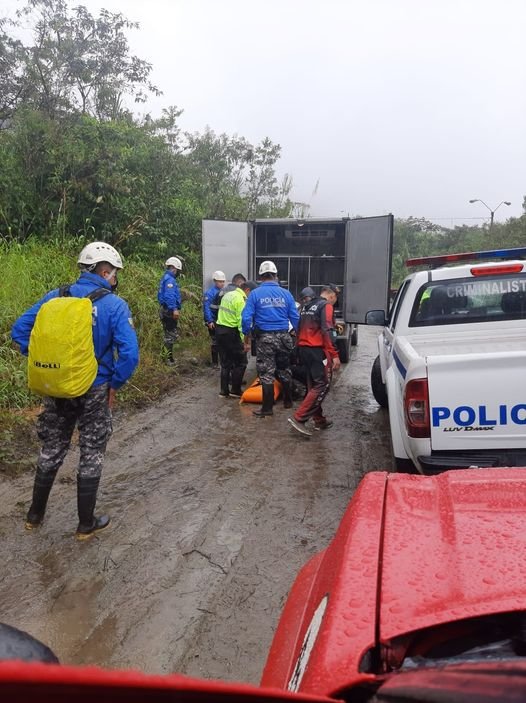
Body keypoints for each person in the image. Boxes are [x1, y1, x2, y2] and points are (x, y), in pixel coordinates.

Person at [11, 242, 139, 539]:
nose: (116, 278)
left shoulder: (55, 297)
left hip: (57, 386)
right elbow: (130, 354)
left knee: (52, 447)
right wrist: (115, 384)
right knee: (91, 451)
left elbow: (20, 329)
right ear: (105, 271)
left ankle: (34, 516)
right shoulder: (114, 305)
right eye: (115, 273)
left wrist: (49, 363)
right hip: (95, 387)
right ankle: (85, 524)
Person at [241, 260, 299, 417]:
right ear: (275, 276)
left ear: (261, 276)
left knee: (266, 372)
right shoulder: (286, 294)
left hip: (265, 338)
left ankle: (267, 408)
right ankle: (288, 401)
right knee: (284, 368)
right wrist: (299, 335)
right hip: (284, 337)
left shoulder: (255, 294)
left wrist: (249, 332)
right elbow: (295, 317)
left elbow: (246, 318)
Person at [288, 284, 341, 436]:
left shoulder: (305, 307)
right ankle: (299, 418)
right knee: (322, 384)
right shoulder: (326, 306)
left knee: (313, 385)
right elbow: (327, 330)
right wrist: (335, 354)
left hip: (304, 350)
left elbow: (298, 329)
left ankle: (319, 420)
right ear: (331, 296)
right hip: (317, 350)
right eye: (335, 299)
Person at [215, 280, 258, 398]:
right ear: (247, 290)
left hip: (220, 330)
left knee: (225, 363)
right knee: (241, 362)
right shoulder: (241, 300)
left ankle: (223, 391)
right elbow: (242, 323)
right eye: (252, 293)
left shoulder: (228, 295)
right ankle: (235, 390)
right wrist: (245, 342)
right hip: (231, 332)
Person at [158, 256, 182, 365]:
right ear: (174, 268)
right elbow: (169, 296)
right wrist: (174, 309)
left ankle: (169, 358)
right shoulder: (170, 280)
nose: (177, 272)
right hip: (169, 310)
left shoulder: (166, 278)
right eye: (177, 270)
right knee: (169, 336)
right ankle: (166, 359)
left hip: (167, 309)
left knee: (170, 335)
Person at [203, 270, 226, 366]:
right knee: (215, 341)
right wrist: (209, 321)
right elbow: (206, 308)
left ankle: (222, 361)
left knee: (223, 342)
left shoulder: (224, 292)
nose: (222, 283)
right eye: (220, 281)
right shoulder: (209, 293)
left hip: (221, 321)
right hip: (213, 321)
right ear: (215, 281)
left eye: (223, 281)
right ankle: (215, 362)